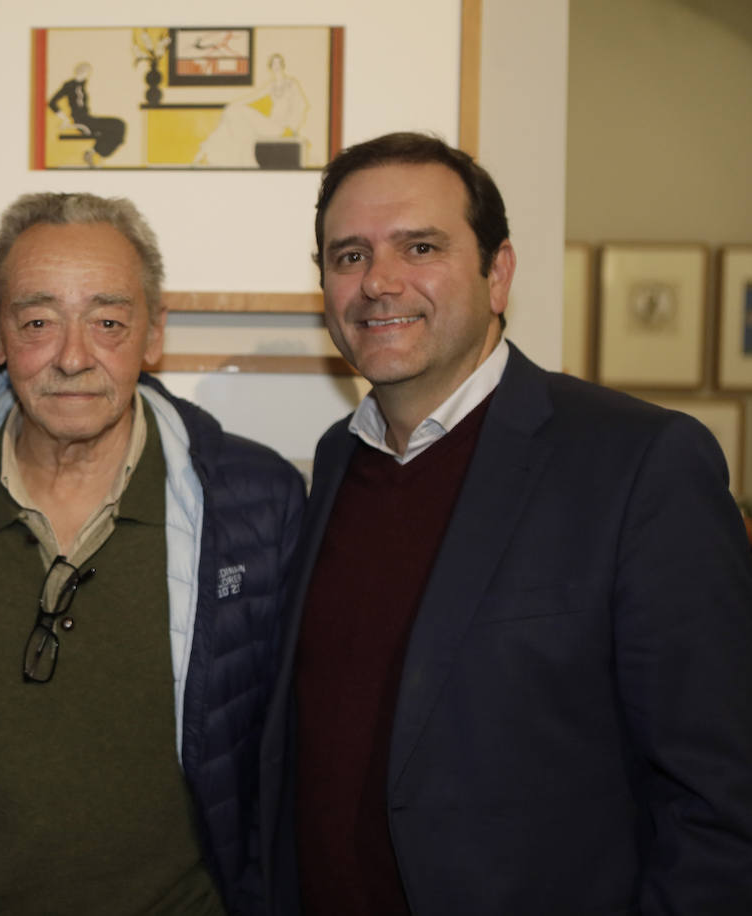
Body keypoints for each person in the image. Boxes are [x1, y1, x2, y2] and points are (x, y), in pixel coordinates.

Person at [258, 131, 752, 914]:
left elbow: (722, 801)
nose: (379, 282)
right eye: (348, 255)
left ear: (499, 273)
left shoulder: (638, 464)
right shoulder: (337, 462)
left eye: (419, 246)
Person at [0, 191, 305, 914]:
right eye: (37, 322)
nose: (73, 357)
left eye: (109, 322)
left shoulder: (255, 504)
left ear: (154, 334)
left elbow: (301, 753)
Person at [192, 54, 310, 169]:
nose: (276, 65)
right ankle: (208, 151)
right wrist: (234, 103)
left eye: (278, 62)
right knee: (234, 111)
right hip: (271, 124)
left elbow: (302, 105)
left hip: (282, 128)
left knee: (236, 113)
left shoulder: (291, 83)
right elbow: (253, 97)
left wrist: (292, 128)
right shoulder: (271, 85)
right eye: (274, 63)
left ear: (282, 64)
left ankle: (205, 152)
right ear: (270, 66)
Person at [48, 63, 127, 167]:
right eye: (86, 72)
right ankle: (93, 152)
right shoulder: (69, 85)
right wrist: (65, 119)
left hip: (88, 119)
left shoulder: (82, 84)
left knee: (119, 125)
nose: (88, 75)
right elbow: (52, 102)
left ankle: (92, 152)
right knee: (118, 125)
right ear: (80, 71)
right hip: (82, 121)